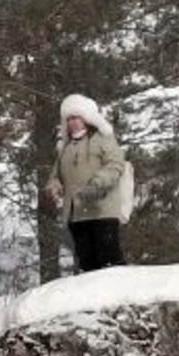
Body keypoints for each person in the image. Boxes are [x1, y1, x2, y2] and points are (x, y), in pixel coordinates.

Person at [47, 94, 128, 273]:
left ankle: (120, 300)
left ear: (87, 118)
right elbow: (55, 175)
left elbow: (116, 165)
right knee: (87, 266)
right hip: (76, 214)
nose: (72, 123)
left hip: (102, 211)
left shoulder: (103, 138)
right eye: (68, 119)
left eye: (76, 117)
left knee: (110, 263)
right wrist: (54, 185)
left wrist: (97, 184)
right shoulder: (65, 148)